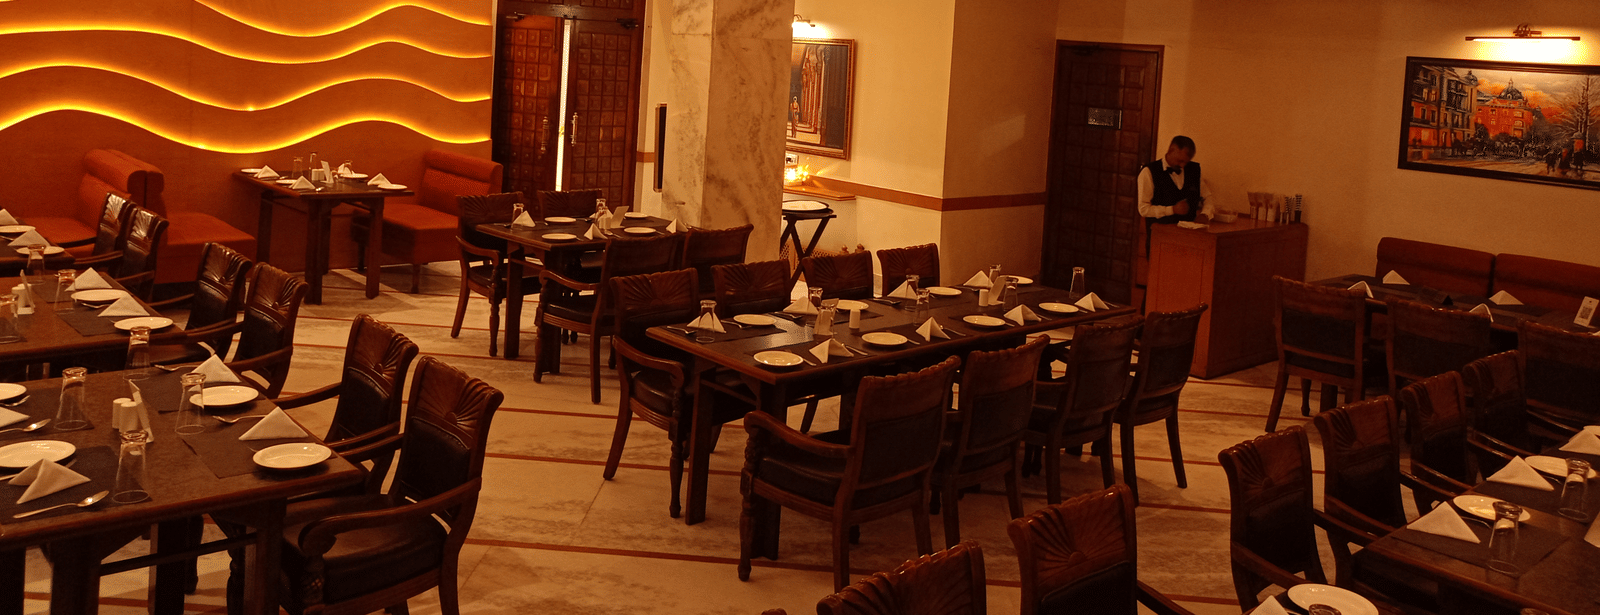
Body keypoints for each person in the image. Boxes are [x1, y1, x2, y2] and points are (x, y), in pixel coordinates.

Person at [1136, 135, 1214, 227]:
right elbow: (1144, 209)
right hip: (1160, 234)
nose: (1183, 166)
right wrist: (1172, 210)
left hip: (1189, 235)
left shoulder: (1193, 171)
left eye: (1186, 162)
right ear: (1171, 150)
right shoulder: (1149, 172)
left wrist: (1205, 214)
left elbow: (1208, 197)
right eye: (1180, 161)